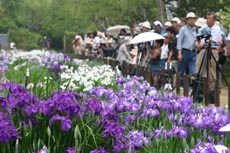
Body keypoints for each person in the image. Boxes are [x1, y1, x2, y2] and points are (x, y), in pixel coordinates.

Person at [195, 12, 222, 103]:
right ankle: (202, 89)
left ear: (214, 20)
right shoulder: (204, 28)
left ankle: (212, 91)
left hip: (213, 50)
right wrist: (199, 43)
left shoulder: (217, 29)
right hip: (203, 49)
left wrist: (204, 41)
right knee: (200, 67)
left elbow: (214, 40)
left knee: (212, 71)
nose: (207, 20)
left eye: (209, 18)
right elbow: (199, 38)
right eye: (207, 18)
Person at [177, 12, 198, 86]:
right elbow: (179, 41)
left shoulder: (196, 29)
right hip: (184, 51)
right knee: (181, 70)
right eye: (190, 19)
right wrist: (179, 53)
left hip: (193, 52)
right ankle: (179, 86)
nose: (192, 21)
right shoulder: (183, 29)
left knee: (193, 71)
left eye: (193, 19)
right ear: (187, 20)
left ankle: (192, 86)